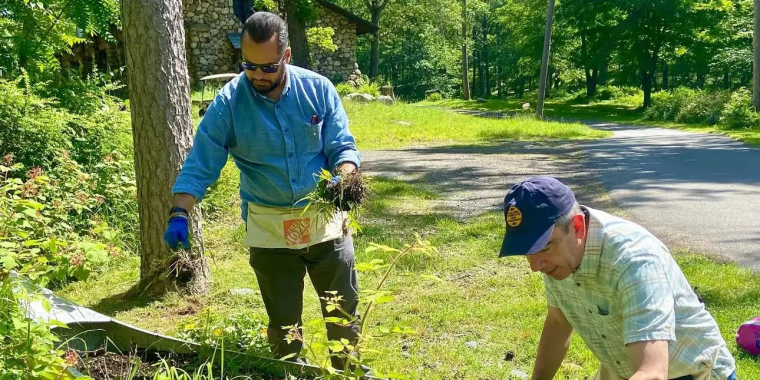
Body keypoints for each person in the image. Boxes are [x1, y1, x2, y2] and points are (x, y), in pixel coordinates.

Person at [162, 11, 364, 372]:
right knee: (285, 324)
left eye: (268, 67)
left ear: (285, 56)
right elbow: (201, 163)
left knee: (342, 311)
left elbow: (341, 147)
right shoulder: (229, 103)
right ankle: (292, 373)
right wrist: (180, 210)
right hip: (269, 230)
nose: (257, 75)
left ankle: (348, 374)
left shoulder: (317, 90)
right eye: (248, 66)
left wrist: (346, 178)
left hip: (325, 224)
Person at [498, 176, 737, 380]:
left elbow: (653, 372)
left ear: (578, 227)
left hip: (691, 372)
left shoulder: (634, 260)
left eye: (544, 248)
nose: (535, 266)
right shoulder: (559, 253)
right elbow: (559, 322)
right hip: (622, 370)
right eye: (528, 252)